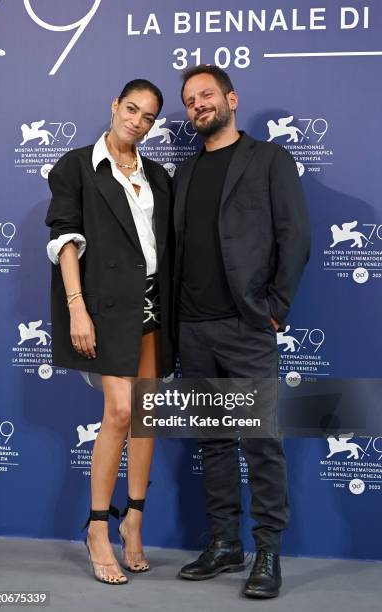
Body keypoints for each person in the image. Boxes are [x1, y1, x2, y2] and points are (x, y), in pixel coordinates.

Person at [174, 65, 310, 598]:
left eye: (206, 95)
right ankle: (225, 543)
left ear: (231, 98)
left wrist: (274, 307)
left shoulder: (270, 158)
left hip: (247, 326)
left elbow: (294, 236)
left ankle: (268, 552)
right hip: (193, 329)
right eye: (189, 100)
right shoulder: (183, 173)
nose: (198, 105)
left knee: (259, 441)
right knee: (212, 442)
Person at [45, 79, 174, 585]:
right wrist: (78, 308)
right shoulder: (75, 166)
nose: (137, 122)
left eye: (147, 117)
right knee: (119, 411)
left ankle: (134, 522)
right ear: (114, 106)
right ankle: (98, 526)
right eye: (132, 110)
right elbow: (65, 240)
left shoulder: (159, 175)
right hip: (103, 306)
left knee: (145, 415)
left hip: (153, 306)